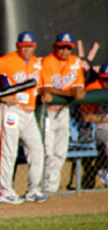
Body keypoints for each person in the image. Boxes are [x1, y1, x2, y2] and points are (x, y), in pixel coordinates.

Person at [0, 31, 47, 204]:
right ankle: (5, 191)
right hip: (11, 110)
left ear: (35, 46)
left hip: (29, 112)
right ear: (18, 46)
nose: (27, 50)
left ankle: (33, 190)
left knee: (37, 150)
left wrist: (44, 93)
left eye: (30, 46)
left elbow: (43, 84)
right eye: (24, 46)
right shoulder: (7, 60)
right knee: (9, 151)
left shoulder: (38, 63)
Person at [39, 32, 86, 195]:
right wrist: (68, 93)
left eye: (68, 48)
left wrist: (76, 91)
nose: (65, 51)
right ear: (55, 47)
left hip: (63, 112)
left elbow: (79, 89)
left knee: (60, 152)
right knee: (47, 151)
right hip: (47, 113)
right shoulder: (47, 61)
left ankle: (51, 188)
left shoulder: (75, 62)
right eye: (61, 47)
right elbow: (45, 88)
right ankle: (42, 187)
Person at [82, 62, 108, 185]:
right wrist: (104, 119)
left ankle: (104, 171)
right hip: (95, 129)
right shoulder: (92, 89)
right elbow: (86, 117)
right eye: (105, 79)